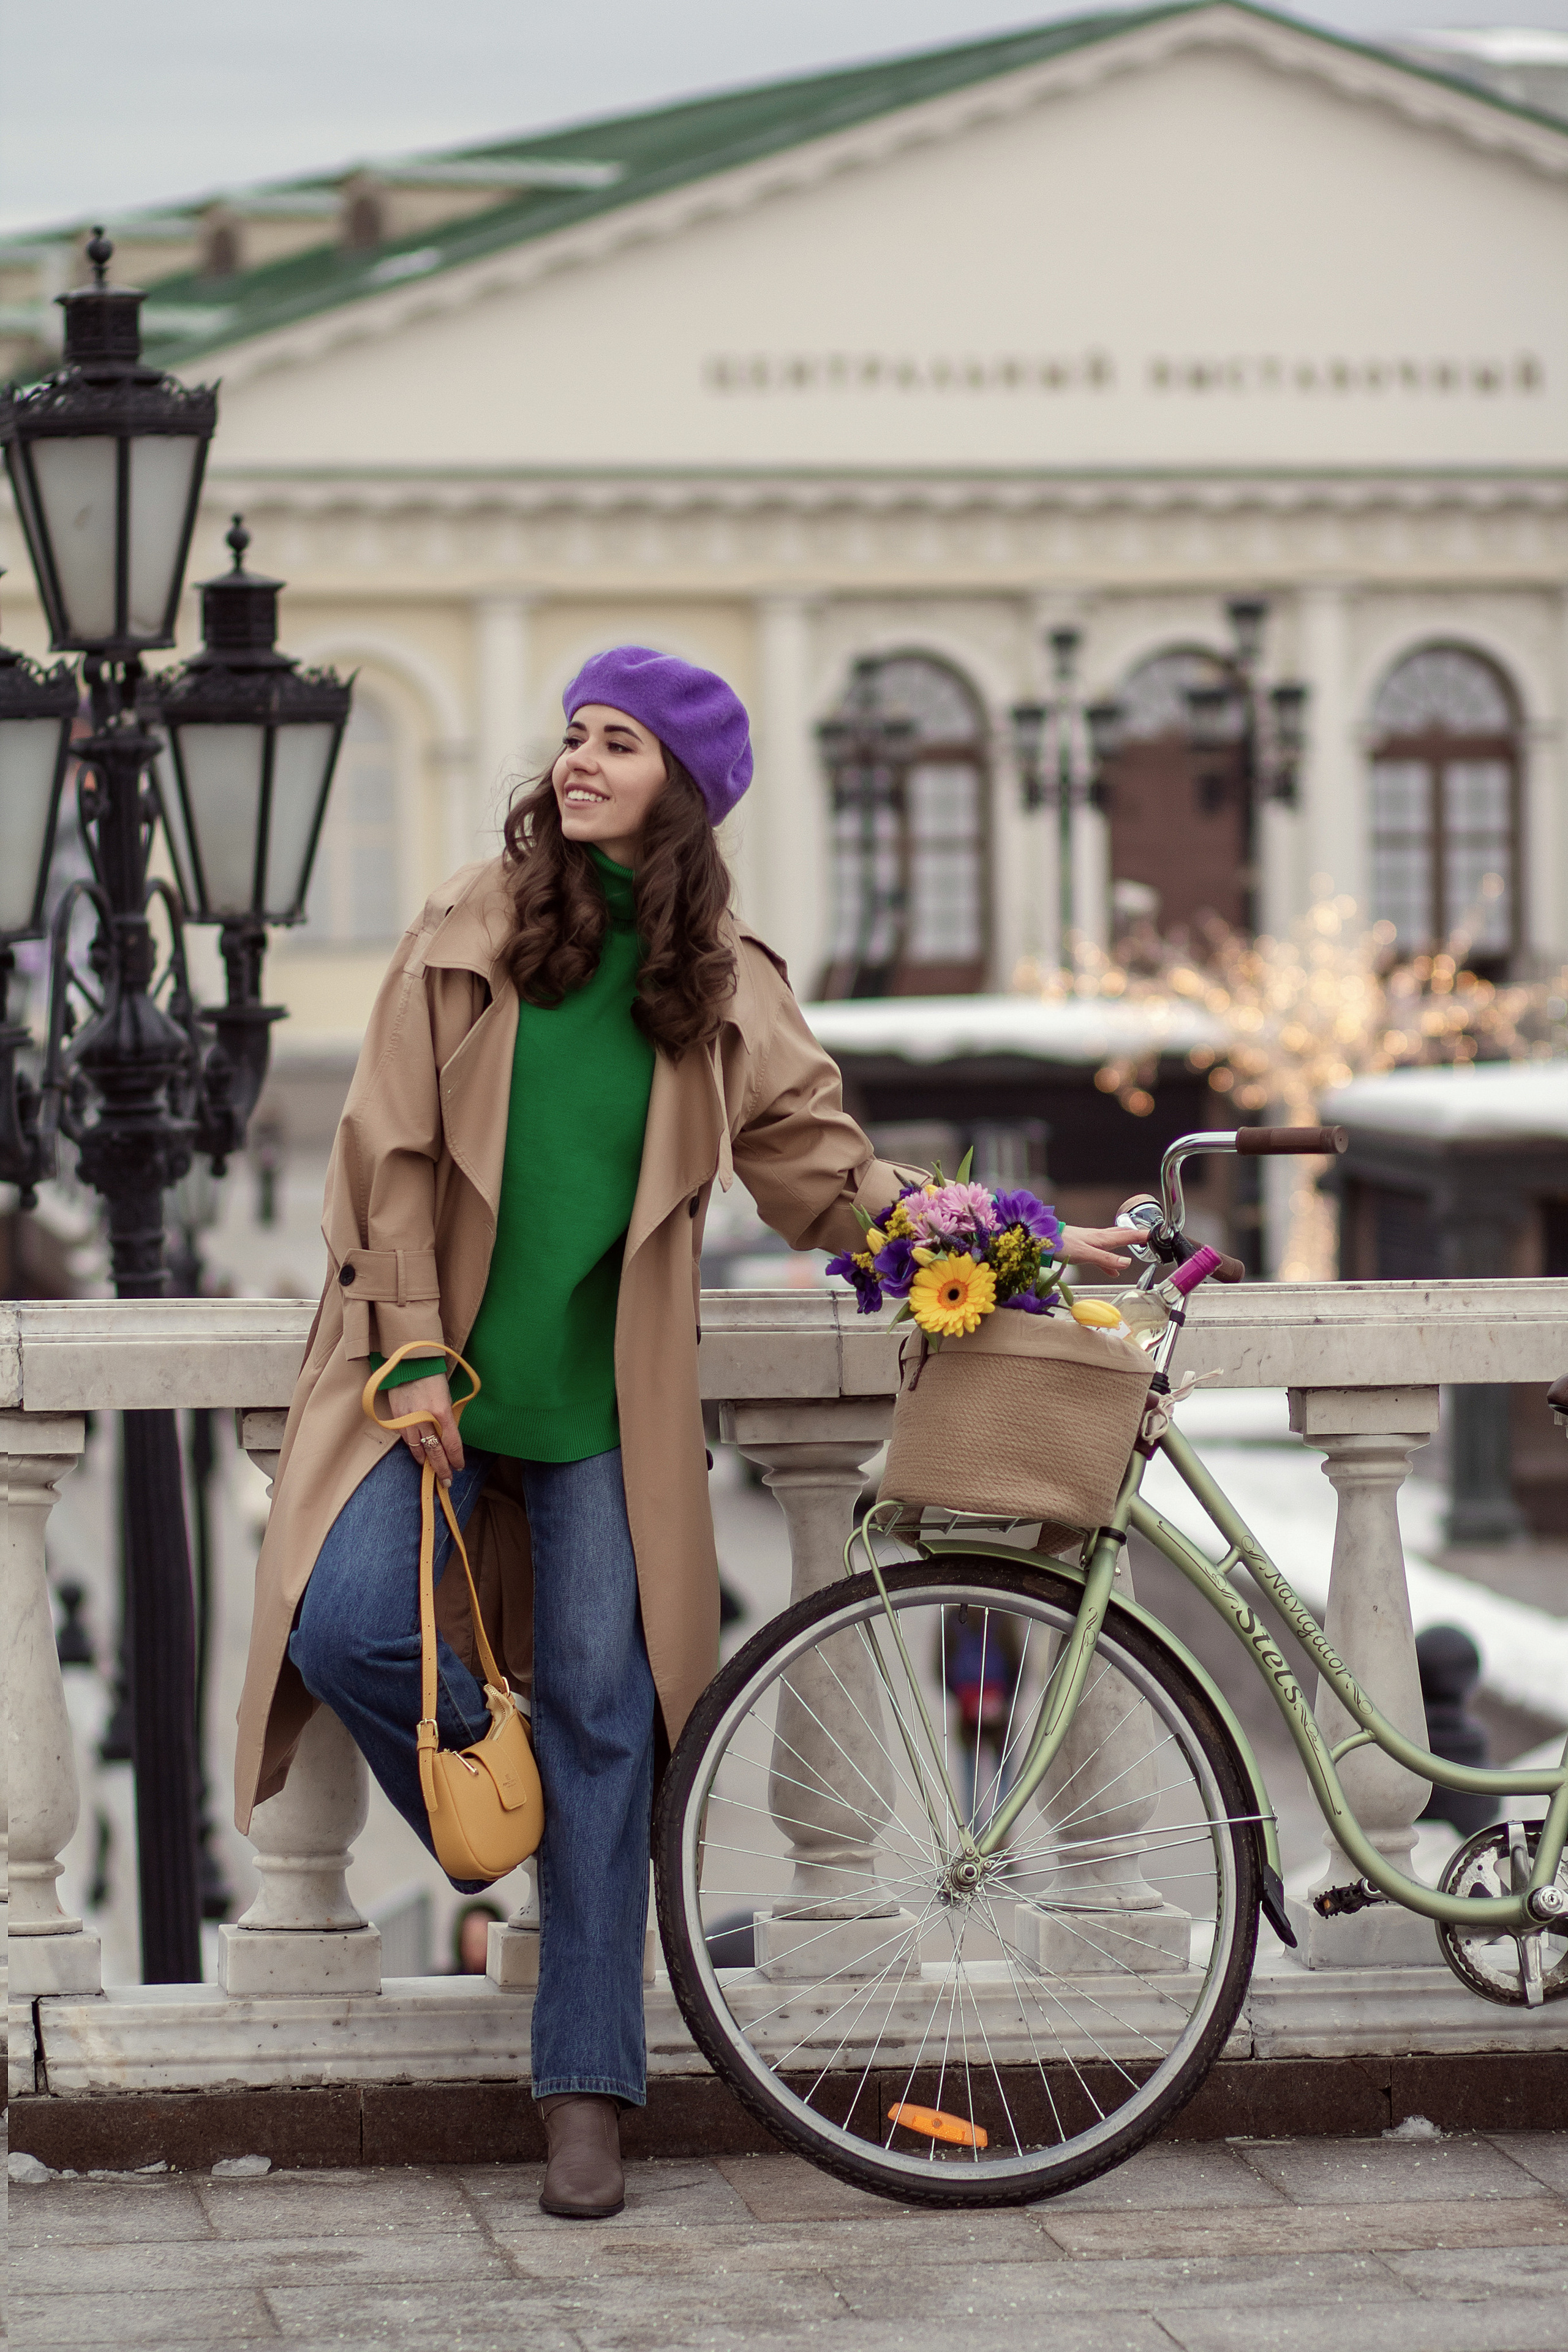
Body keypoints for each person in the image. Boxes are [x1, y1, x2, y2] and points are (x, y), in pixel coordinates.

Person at [231, 645, 1132, 2218]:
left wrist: (1024, 1248)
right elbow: (379, 1160)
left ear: (684, 789)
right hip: (421, 1389)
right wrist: (413, 1352)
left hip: (601, 1413)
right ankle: (487, 1805)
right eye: (573, 735)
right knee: (355, 1625)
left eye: (619, 743)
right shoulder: (469, 928)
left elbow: (828, 1176)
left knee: (606, 1717)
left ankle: (586, 2089)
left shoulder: (725, 984)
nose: (579, 761)